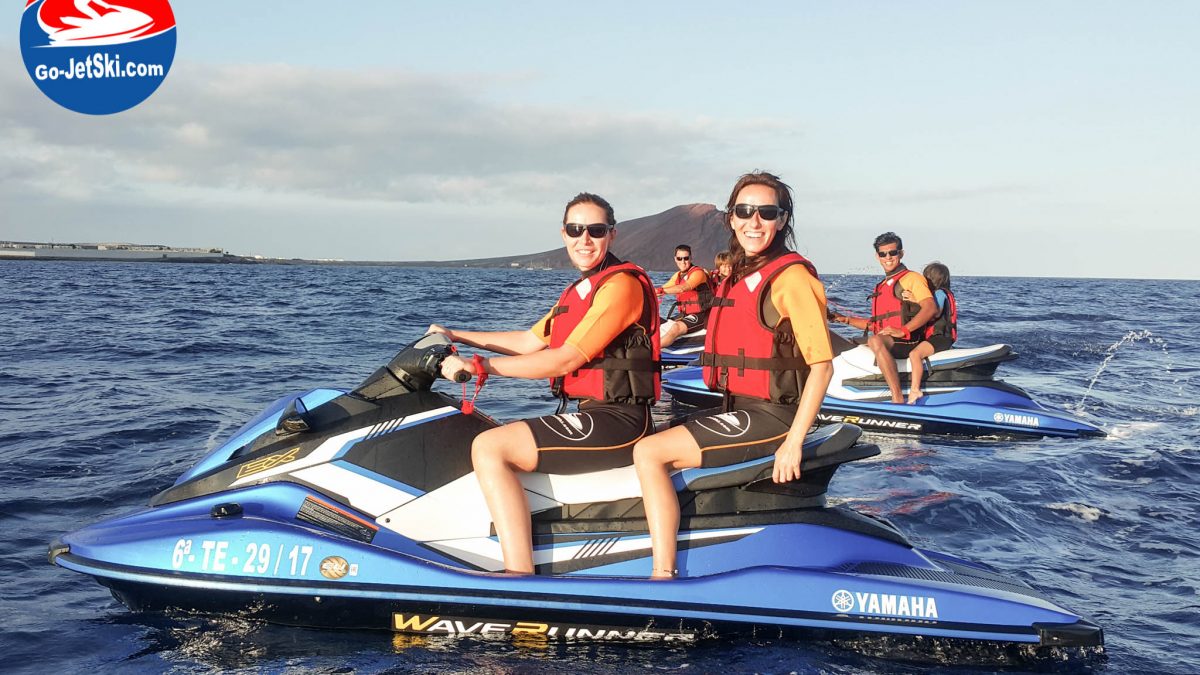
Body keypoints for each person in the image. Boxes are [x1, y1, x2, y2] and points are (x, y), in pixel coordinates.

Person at [432, 193, 661, 574]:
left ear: (612, 235)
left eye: (595, 230)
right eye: (575, 229)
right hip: (593, 413)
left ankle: (518, 575)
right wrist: (454, 333)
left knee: (491, 446)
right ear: (563, 233)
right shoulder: (578, 292)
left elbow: (565, 358)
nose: (584, 239)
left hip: (621, 422)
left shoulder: (622, 286)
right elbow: (528, 342)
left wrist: (479, 367)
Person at [633, 171, 833, 579]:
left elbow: (822, 366)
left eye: (766, 212)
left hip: (774, 416)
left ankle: (662, 576)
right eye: (744, 211)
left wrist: (792, 444)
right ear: (731, 217)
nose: (753, 221)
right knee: (642, 438)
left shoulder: (792, 277)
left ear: (782, 220)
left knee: (648, 454)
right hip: (738, 407)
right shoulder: (740, 274)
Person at [830, 232, 936, 404]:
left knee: (875, 341)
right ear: (877, 256)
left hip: (909, 340)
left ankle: (897, 398)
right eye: (883, 254)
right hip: (887, 339)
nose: (888, 257)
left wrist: (904, 330)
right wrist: (843, 319)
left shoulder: (912, 279)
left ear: (901, 253)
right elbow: (878, 326)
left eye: (893, 253)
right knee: (831, 339)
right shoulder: (881, 285)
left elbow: (930, 308)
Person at [903, 262, 957, 402]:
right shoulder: (945, 293)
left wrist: (915, 300)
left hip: (941, 337)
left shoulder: (939, 293)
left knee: (915, 354)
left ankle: (915, 390)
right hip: (942, 336)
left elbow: (935, 312)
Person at [657, 244, 712, 347]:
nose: (683, 262)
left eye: (686, 258)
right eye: (679, 258)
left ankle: (651, 351)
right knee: (657, 323)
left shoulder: (698, 273)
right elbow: (664, 287)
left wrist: (661, 290)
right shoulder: (677, 276)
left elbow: (684, 287)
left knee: (675, 328)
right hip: (685, 314)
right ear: (675, 259)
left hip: (701, 315)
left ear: (690, 258)